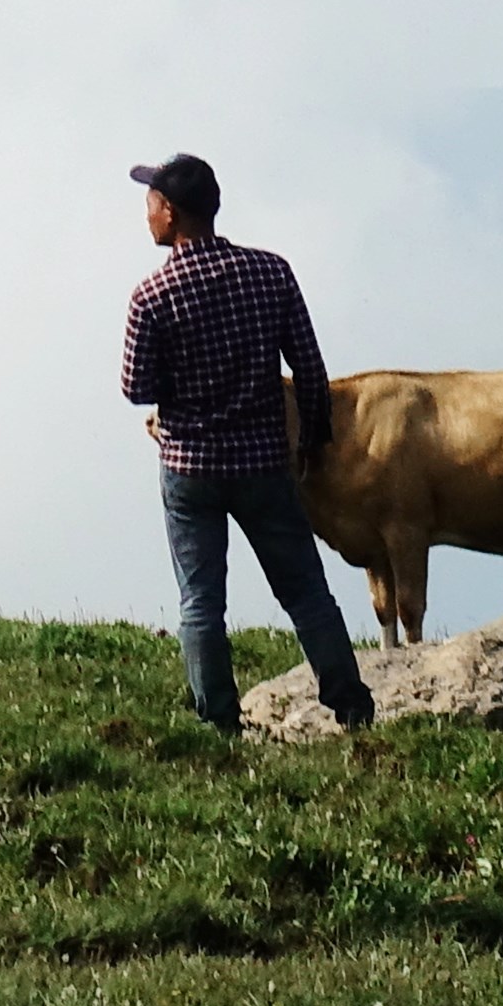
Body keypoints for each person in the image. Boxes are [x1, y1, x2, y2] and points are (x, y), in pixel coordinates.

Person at [121, 153, 374, 733]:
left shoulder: (151, 295)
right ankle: (351, 705)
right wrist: (313, 438)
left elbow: (137, 388)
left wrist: (177, 398)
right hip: (263, 461)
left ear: (170, 212)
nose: (147, 214)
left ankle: (220, 722)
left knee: (201, 602)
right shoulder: (270, 272)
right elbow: (308, 365)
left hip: (189, 467)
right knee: (306, 591)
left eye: (151, 204)